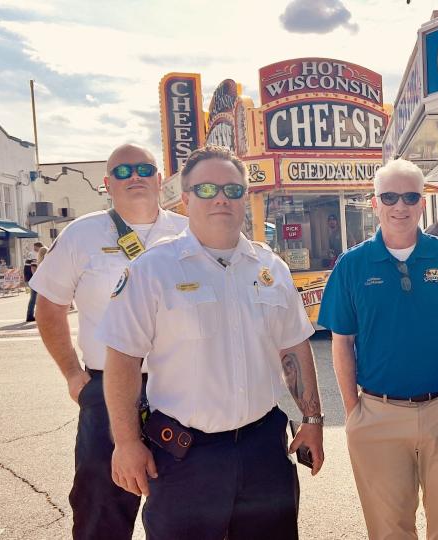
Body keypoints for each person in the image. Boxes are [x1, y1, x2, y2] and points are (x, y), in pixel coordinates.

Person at [98, 144, 325, 540]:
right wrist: (127, 442)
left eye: (233, 190)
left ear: (245, 197)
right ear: (185, 199)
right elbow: (122, 361)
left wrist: (313, 419)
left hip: (263, 452)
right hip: (184, 458)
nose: (221, 198)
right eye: (206, 190)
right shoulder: (153, 269)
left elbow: (294, 347)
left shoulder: (271, 267)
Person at [318, 158, 438, 540]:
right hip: (378, 412)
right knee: (389, 529)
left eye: (410, 196)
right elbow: (342, 342)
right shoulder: (352, 265)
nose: (400, 205)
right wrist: (353, 410)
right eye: (390, 196)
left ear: (422, 201)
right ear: (374, 202)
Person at [30, 143, 187, 540]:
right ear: (106, 184)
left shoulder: (188, 231)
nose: (134, 176)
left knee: (185, 505)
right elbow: (48, 308)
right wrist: (72, 375)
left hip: (183, 388)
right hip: (107, 388)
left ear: (159, 178)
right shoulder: (82, 234)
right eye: (122, 171)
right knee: (101, 509)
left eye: (143, 168)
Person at [23, 241, 43, 322]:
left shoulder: (31, 253)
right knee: (34, 297)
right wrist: (36, 278)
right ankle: (30, 315)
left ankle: (32, 315)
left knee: (35, 297)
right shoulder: (35, 254)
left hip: (29, 277)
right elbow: (33, 268)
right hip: (32, 278)